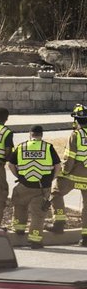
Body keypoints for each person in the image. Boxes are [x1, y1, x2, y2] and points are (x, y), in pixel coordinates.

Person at [8, 125, 60, 249]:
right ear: (41, 135)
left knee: (20, 205)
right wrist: (51, 179)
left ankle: (19, 228)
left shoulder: (21, 147)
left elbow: (10, 164)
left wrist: (19, 176)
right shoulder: (48, 147)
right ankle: (35, 240)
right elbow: (58, 166)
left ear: (30, 134)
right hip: (41, 188)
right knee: (38, 214)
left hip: (24, 185)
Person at [49, 104, 87, 245]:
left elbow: (69, 158)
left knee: (55, 193)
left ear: (76, 120)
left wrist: (63, 172)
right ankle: (86, 238)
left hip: (73, 175)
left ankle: (58, 223)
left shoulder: (76, 135)